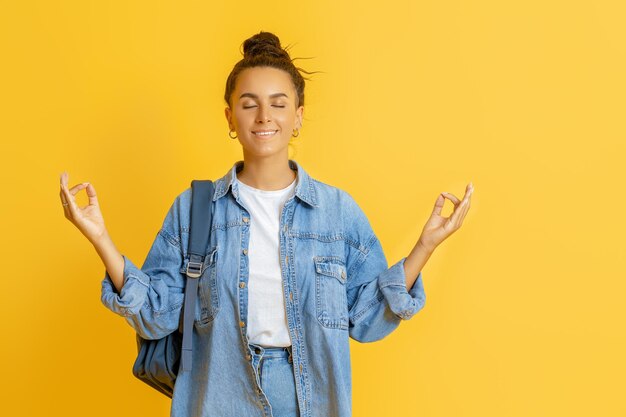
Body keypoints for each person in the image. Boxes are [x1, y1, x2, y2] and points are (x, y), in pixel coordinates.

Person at [59, 31, 473, 417]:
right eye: (249, 103)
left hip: (308, 396)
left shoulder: (336, 211)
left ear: (298, 117)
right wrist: (100, 238)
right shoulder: (194, 209)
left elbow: (367, 319)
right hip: (218, 394)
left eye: (278, 103)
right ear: (229, 116)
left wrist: (425, 246)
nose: (263, 116)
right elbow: (155, 314)